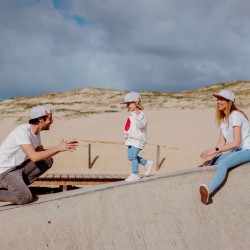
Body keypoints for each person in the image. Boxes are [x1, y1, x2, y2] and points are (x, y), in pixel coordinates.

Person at [0, 105, 78, 205]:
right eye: (50, 118)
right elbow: (34, 157)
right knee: (25, 197)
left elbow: (42, 154)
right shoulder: (22, 131)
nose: (52, 121)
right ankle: (21, 192)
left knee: (47, 160)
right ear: (41, 120)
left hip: (18, 168)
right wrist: (58, 148)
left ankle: (19, 188)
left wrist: (62, 147)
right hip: (4, 172)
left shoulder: (36, 133)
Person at [199, 89, 250, 205]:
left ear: (230, 102)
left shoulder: (236, 115)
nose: (218, 102)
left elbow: (236, 142)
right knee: (214, 162)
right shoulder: (223, 120)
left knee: (223, 164)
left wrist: (214, 150)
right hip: (238, 151)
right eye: (217, 99)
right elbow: (221, 144)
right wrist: (211, 157)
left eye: (221, 99)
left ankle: (209, 192)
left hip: (248, 149)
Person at [121, 91, 153, 182]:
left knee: (133, 156)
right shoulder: (131, 114)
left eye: (129, 104)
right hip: (131, 139)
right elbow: (128, 126)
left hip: (138, 139)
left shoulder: (140, 114)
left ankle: (135, 174)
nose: (128, 106)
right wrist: (125, 133)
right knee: (130, 156)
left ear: (136, 103)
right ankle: (146, 163)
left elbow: (142, 126)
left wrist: (138, 116)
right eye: (127, 104)